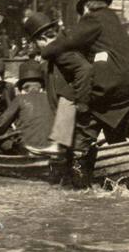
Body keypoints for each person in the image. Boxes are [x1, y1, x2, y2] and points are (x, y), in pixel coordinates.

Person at [40, 0, 129, 144]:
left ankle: (77, 161)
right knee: (115, 134)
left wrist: (45, 51)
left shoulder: (93, 18)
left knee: (85, 126)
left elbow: (70, 40)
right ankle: (118, 160)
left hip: (112, 85)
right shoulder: (114, 19)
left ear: (85, 7)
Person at [22, 12, 94, 168]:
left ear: (41, 40)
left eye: (37, 42)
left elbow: (85, 71)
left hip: (78, 112)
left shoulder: (61, 51)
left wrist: (80, 103)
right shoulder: (53, 55)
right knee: (75, 159)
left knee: (79, 156)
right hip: (71, 118)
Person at [0, 60, 56, 150]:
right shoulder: (53, 99)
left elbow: (1, 123)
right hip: (53, 148)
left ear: (23, 88)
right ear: (42, 87)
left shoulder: (20, 99)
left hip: (28, 149)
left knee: (0, 143)